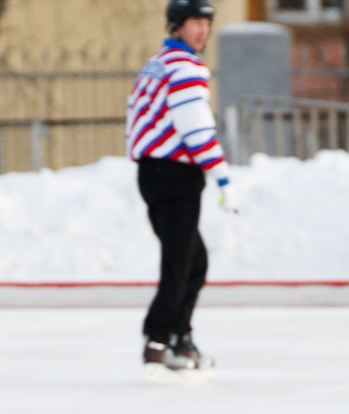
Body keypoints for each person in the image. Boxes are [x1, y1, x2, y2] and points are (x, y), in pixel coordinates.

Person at [126, 0, 238, 381]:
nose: (203, 31)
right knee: (181, 261)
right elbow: (196, 127)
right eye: (195, 23)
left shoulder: (158, 63)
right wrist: (222, 176)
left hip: (155, 171)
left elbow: (137, 113)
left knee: (193, 260)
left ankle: (178, 337)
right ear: (176, 25)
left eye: (207, 23)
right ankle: (159, 341)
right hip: (174, 172)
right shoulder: (186, 68)